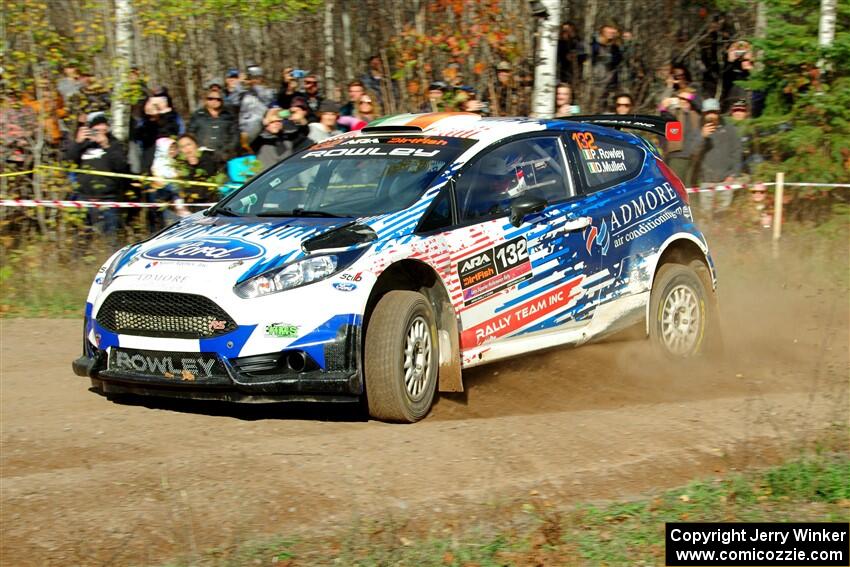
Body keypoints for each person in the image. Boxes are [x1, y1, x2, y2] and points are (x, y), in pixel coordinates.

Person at [63, 114, 129, 238]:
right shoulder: (83, 145)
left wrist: (106, 145)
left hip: (108, 199)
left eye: (103, 131)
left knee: (110, 238)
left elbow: (121, 166)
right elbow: (67, 162)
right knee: (81, 238)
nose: (99, 134)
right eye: (96, 131)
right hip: (84, 197)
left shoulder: (114, 144)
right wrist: (77, 143)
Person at [693, 98, 742, 218]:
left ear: (718, 112)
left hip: (726, 180)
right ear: (704, 114)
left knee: (723, 215)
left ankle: (722, 236)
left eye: (714, 112)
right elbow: (692, 153)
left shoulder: (729, 129)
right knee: (705, 216)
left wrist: (733, 174)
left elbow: (736, 152)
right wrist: (702, 137)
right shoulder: (698, 130)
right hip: (706, 180)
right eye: (708, 113)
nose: (711, 115)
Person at [659, 88, 702, 186]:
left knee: (689, 187)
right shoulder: (674, 114)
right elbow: (663, 117)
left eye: (687, 99)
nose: (684, 101)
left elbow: (700, 104)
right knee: (678, 187)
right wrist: (663, 106)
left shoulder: (694, 114)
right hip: (677, 156)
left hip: (692, 156)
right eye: (681, 99)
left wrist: (688, 96)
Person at [188, 88, 239, 165]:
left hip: (224, 158)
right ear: (205, 100)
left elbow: (235, 136)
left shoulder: (229, 116)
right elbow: (190, 134)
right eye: (210, 98)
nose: (214, 101)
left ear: (222, 101)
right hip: (202, 158)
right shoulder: (197, 115)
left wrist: (226, 151)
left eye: (218, 99)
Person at [250, 104, 310, 169]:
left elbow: (304, 132)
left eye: (279, 121)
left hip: (285, 176)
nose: (276, 123)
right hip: (266, 177)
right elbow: (251, 137)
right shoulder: (260, 139)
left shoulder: (287, 137)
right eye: (272, 122)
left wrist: (301, 119)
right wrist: (265, 121)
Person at [133, 91, 181, 173]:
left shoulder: (172, 120)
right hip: (149, 161)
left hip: (167, 162)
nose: (155, 106)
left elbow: (175, 133)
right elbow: (138, 137)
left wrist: (161, 115)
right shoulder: (144, 123)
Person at [238, 64, 276, 142]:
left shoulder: (268, 92)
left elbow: (266, 99)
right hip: (244, 133)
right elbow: (232, 101)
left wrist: (255, 85)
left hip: (262, 134)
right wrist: (240, 84)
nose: (254, 80)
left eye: (257, 77)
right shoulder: (243, 94)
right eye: (251, 77)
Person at [591, 24, 623, 110]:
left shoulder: (615, 47)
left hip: (611, 84)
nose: (612, 32)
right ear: (603, 30)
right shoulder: (593, 45)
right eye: (610, 29)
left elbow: (617, 62)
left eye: (614, 30)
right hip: (595, 84)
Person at [557, 22, 584, 89]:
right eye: (564, 30)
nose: (567, 33)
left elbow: (582, 56)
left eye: (569, 30)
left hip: (576, 75)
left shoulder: (579, 42)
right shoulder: (559, 44)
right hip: (562, 75)